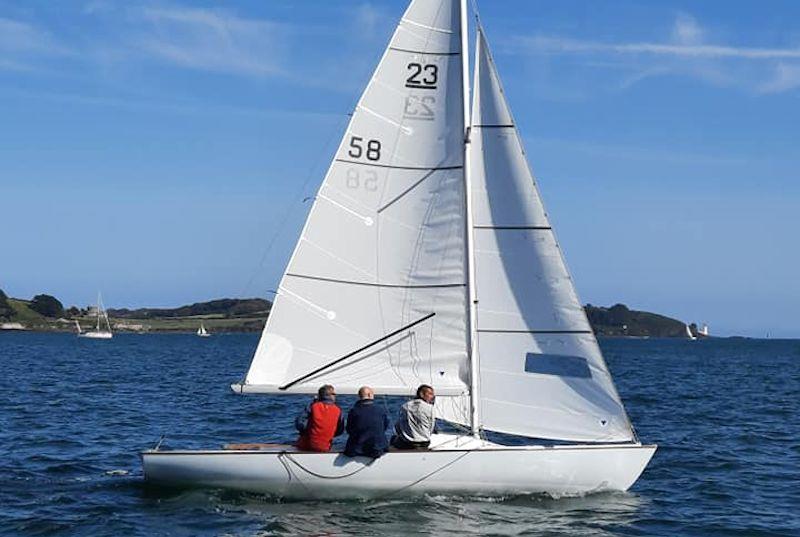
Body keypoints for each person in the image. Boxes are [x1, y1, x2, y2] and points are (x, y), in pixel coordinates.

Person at [295, 384, 345, 452]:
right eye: (334, 394)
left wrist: (308, 429)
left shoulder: (313, 406)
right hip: (326, 447)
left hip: (308, 445)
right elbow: (340, 431)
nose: (335, 396)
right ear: (330, 395)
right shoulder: (338, 410)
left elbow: (299, 423)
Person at [344, 386, 390, 459]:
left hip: (357, 449)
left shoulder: (353, 411)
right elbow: (385, 426)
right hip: (377, 449)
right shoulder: (380, 410)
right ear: (369, 395)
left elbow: (349, 430)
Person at [391, 384, 436, 450]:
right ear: (421, 394)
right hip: (424, 443)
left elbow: (398, 426)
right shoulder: (430, 408)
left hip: (408, 443)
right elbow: (431, 427)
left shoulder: (405, 406)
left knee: (393, 439)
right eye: (430, 394)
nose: (432, 396)